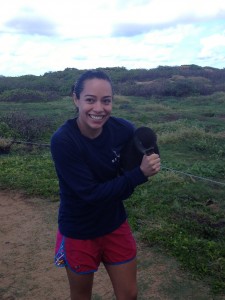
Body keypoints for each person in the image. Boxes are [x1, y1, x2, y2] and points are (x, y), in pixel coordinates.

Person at [50, 70, 160, 300]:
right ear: (75, 99)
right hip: (79, 229)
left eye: (106, 101)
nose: (99, 108)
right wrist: (138, 175)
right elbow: (91, 194)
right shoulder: (64, 141)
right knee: (81, 296)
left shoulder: (123, 130)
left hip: (114, 223)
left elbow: (145, 148)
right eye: (90, 99)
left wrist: (151, 159)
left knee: (129, 294)